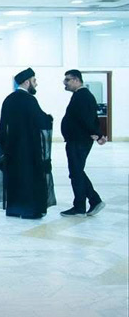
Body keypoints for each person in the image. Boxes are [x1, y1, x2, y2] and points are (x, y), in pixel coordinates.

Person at [0, 68, 54, 219]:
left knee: (15, 178)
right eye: (34, 81)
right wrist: (49, 118)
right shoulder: (30, 100)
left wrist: (6, 147)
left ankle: (15, 209)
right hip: (30, 150)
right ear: (27, 82)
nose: (36, 84)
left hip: (12, 150)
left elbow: (2, 128)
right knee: (31, 178)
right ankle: (31, 210)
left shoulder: (9, 99)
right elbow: (41, 121)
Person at [60, 69, 107, 217]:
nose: (65, 83)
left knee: (76, 172)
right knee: (76, 172)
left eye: (67, 80)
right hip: (76, 140)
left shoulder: (83, 96)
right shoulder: (80, 95)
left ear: (76, 80)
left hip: (78, 141)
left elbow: (87, 119)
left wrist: (99, 135)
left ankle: (81, 206)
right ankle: (92, 201)